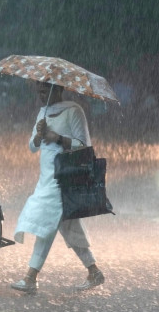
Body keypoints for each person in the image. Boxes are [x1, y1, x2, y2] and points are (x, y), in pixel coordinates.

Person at [11, 82, 106, 295]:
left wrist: (58, 138)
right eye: (38, 92)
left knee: (47, 221)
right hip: (45, 177)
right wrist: (38, 135)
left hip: (64, 178)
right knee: (68, 225)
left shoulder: (74, 111)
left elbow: (84, 146)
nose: (40, 96)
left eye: (44, 91)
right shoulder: (42, 112)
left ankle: (30, 277)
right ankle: (94, 271)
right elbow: (32, 147)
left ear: (59, 90)